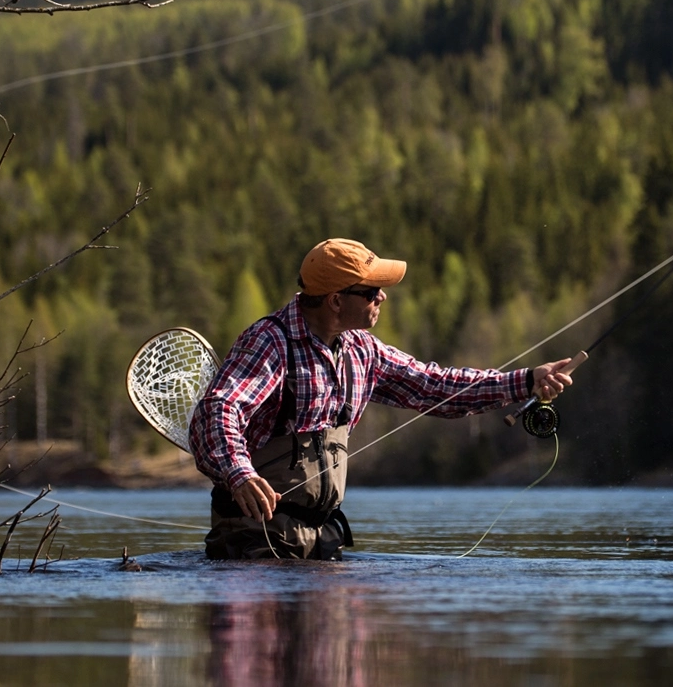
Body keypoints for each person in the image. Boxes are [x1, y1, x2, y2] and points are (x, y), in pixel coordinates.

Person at [189, 237, 573, 560]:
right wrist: (240, 475)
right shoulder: (269, 342)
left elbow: (435, 386)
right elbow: (219, 410)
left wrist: (524, 381)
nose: (383, 297)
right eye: (371, 291)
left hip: (321, 542)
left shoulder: (362, 350)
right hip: (255, 542)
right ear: (336, 300)